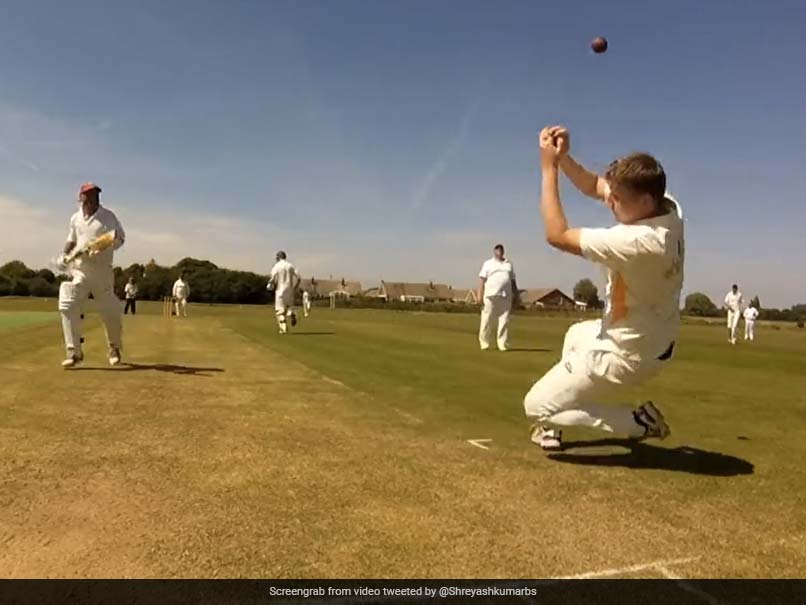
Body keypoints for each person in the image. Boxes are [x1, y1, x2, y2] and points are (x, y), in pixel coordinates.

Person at [523, 126, 683, 451]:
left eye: (618, 199)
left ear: (645, 199)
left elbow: (557, 234)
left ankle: (636, 422)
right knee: (575, 334)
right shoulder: (667, 207)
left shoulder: (640, 242)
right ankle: (555, 427)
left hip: (627, 354)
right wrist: (565, 158)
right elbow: (596, 185)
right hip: (651, 336)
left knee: (535, 407)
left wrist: (548, 167)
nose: (610, 202)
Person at [58, 182, 126, 368]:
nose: (94, 198)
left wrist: (102, 245)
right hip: (80, 270)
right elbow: (71, 240)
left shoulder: (108, 217)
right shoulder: (75, 218)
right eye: (89, 195)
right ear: (81, 197)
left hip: (102, 271)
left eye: (96, 195)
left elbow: (120, 238)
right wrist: (64, 255)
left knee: (110, 312)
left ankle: (114, 347)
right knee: (67, 302)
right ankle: (74, 352)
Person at [477, 244, 518, 351]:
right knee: (486, 320)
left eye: (501, 250)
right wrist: (479, 295)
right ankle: (484, 342)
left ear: (503, 251)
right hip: (490, 295)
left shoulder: (508, 264)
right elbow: (482, 280)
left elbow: (513, 281)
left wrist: (516, 295)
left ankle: (502, 343)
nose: (499, 252)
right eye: (497, 250)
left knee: (504, 320)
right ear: (494, 251)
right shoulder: (488, 264)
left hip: (505, 295)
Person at [268, 251, 299, 334]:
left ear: (278, 257)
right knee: (289, 306)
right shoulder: (290, 265)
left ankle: (283, 328)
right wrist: (295, 287)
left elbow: (272, 278)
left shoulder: (277, 266)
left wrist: (270, 284)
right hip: (290, 289)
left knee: (280, 310)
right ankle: (291, 313)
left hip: (280, 290)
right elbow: (298, 278)